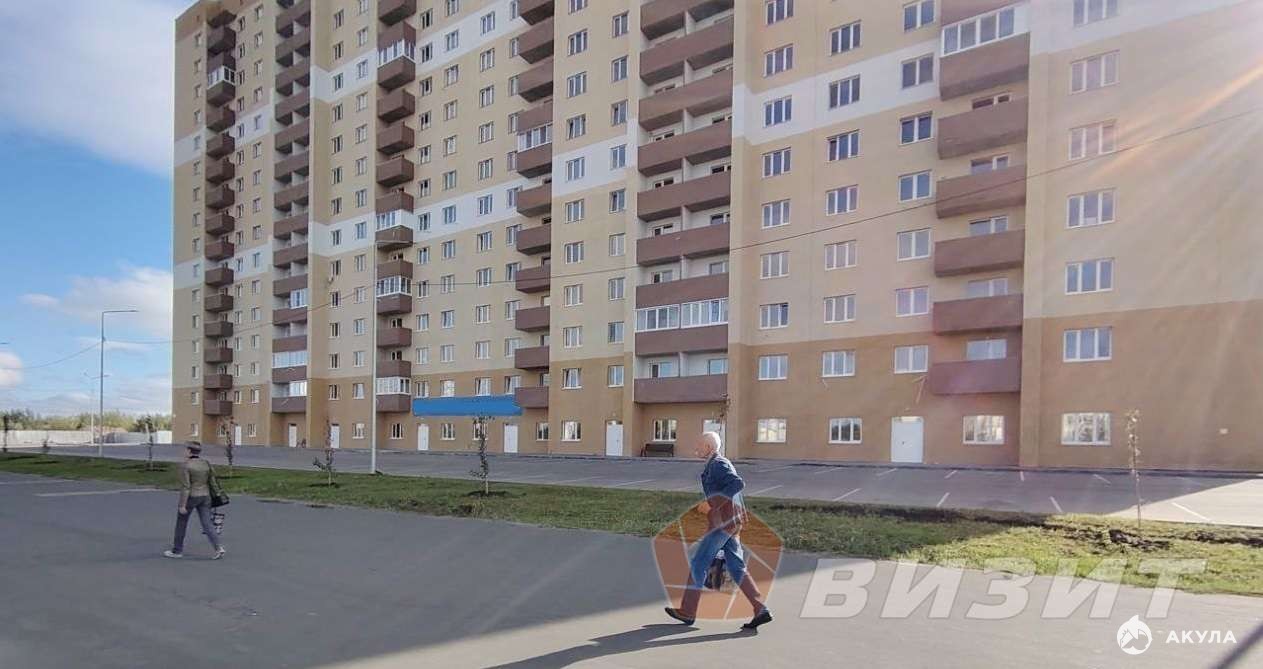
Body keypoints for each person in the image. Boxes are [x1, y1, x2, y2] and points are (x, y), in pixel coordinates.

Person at [665, 431, 773, 630]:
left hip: (723, 523)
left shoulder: (718, 464)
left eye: (699, 445)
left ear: (708, 447)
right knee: (736, 567)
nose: (696, 449)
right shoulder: (716, 463)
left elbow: (737, 483)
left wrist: (711, 504)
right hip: (731, 522)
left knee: (698, 563)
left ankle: (688, 611)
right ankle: (760, 609)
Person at [163, 442, 226, 560]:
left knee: (181, 522)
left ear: (189, 451)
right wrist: (217, 495)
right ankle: (218, 548)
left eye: (185, 450)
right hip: (206, 496)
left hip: (192, 497)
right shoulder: (206, 463)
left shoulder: (186, 465)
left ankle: (177, 550)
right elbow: (212, 481)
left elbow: (186, 487)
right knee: (207, 523)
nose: (184, 452)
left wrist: (182, 505)